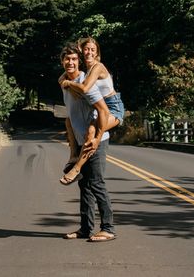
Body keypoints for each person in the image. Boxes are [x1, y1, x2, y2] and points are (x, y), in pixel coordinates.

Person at [60, 43, 116, 242]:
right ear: (62, 61)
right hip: (80, 140)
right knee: (84, 186)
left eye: (74, 59)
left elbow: (104, 111)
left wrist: (97, 137)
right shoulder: (64, 83)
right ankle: (85, 228)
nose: (71, 62)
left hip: (96, 141)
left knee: (96, 183)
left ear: (79, 62)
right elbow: (70, 116)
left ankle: (108, 228)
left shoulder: (85, 84)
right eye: (67, 59)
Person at [59, 36, 124, 185]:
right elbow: (61, 78)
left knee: (92, 131)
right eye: (86, 49)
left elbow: (85, 88)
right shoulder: (86, 69)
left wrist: (68, 82)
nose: (89, 52)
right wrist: (64, 81)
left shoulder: (97, 67)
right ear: (82, 51)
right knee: (68, 121)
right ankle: (73, 156)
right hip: (100, 107)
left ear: (97, 53)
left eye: (92, 50)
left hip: (113, 108)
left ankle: (76, 168)